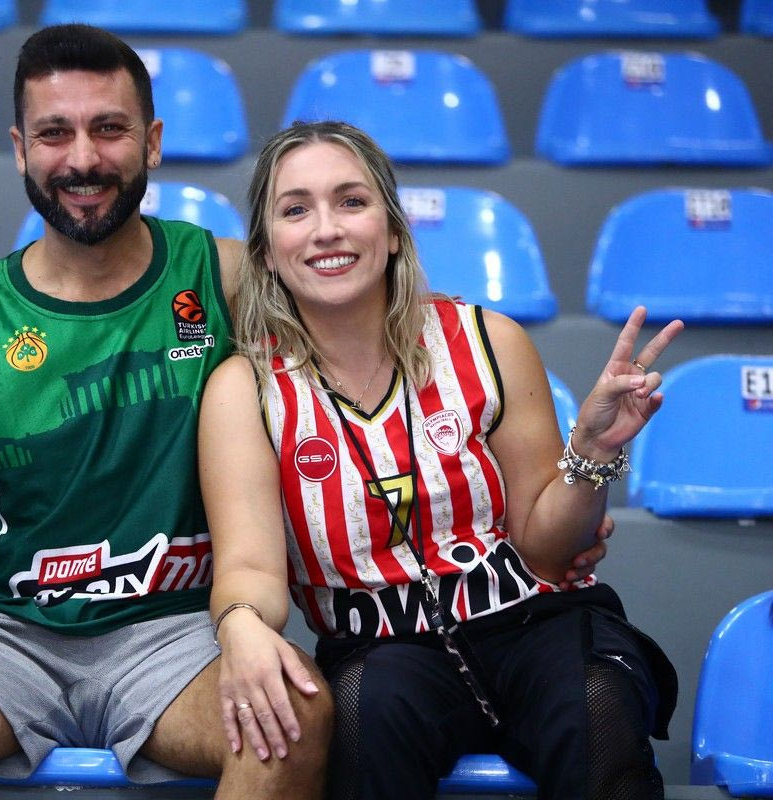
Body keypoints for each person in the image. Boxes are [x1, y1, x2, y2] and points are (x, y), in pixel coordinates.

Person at [0, 25, 335, 799]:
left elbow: (373, 339)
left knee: (293, 715)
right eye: (54, 133)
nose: (82, 159)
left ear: (152, 142)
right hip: (1, 641)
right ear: (21, 150)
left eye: (109, 129)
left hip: (183, 639)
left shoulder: (225, 279)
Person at [198, 120, 681, 800]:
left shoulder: (490, 340)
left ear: (393, 230)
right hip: (381, 650)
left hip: (534, 624)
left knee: (596, 699)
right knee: (367, 715)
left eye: (351, 201)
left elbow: (548, 553)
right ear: (267, 252)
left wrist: (593, 451)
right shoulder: (244, 388)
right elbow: (248, 565)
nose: (327, 229)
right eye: (296, 210)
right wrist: (242, 626)